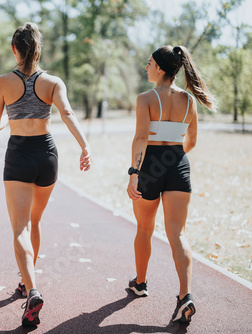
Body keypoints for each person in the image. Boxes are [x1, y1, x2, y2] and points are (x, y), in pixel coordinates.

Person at [0, 22, 92, 327]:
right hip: (47, 156)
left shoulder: (3, 82)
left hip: (19, 154)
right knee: (35, 220)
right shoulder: (53, 82)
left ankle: (30, 288)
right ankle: (25, 281)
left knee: (19, 227)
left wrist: (13, 117)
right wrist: (85, 147)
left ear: (14, 49)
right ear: (38, 49)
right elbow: (68, 114)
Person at [126, 45, 215, 323]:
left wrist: (134, 172)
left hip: (150, 166)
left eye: (149, 63)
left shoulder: (146, 98)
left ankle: (140, 284)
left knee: (144, 227)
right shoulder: (189, 101)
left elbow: (141, 137)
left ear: (161, 69)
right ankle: (185, 295)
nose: (146, 67)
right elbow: (192, 141)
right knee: (178, 233)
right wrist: (174, 161)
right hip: (178, 164)